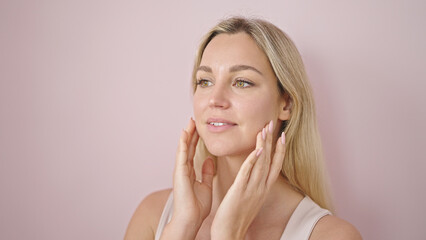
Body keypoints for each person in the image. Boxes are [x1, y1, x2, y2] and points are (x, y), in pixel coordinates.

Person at [124, 16, 362, 240]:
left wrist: (228, 233)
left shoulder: (331, 235)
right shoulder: (153, 216)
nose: (215, 99)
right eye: (205, 81)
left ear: (286, 103)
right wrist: (182, 227)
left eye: (242, 82)